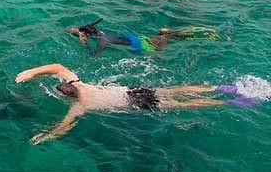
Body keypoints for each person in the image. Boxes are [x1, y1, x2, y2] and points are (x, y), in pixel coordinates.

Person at [15, 63, 242, 145]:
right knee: (177, 91)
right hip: (135, 91)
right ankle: (220, 89)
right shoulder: (80, 83)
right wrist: (32, 72)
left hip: (139, 104)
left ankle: (228, 102)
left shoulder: (80, 106)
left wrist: (46, 136)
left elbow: (66, 127)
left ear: (68, 96)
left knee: (183, 105)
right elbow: (58, 67)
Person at [67, 18, 219, 56]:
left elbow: (94, 56)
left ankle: (170, 35)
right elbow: (75, 30)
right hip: (137, 38)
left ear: (86, 34)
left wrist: (84, 44)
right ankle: (168, 34)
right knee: (162, 38)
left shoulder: (103, 40)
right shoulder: (100, 34)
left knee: (160, 49)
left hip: (141, 45)